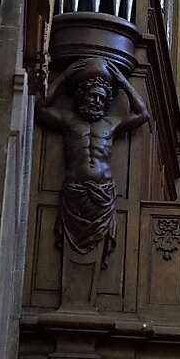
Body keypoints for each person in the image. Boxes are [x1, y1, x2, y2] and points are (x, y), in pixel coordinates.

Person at [37, 58, 149, 269]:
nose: (97, 101)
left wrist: (123, 82)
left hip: (102, 194)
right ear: (82, 96)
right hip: (74, 192)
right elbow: (41, 107)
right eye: (93, 95)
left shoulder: (110, 124)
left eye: (102, 98)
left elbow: (142, 114)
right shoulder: (70, 120)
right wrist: (64, 77)